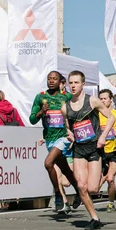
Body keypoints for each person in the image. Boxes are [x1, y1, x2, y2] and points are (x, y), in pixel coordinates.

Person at [62, 71, 116, 230]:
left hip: (94, 147)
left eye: (76, 83)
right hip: (79, 148)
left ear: (83, 84)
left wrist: (103, 136)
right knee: (81, 186)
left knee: (92, 188)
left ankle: (104, 170)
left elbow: (111, 117)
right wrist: (69, 132)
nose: (73, 86)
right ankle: (94, 218)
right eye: (70, 83)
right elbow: (67, 124)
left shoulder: (92, 101)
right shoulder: (65, 107)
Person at [30, 71, 81, 214]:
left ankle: (58, 194)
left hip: (63, 137)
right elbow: (32, 119)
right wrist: (41, 111)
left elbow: (78, 111)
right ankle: (79, 191)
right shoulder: (40, 97)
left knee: (48, 163)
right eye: (49, 79)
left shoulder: (67, 97)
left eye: (55, 79)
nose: (51, 81)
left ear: (60, 82)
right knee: (64, 169)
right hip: (49, 138)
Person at [98, 89, 116, 212]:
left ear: (111, 99)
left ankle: (110, 202)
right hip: (101, 151)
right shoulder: (96, 114)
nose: (103, 101)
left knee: (110, 178)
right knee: (97, 181)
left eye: (105, 98)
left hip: (115, 150)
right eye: (101, 98)